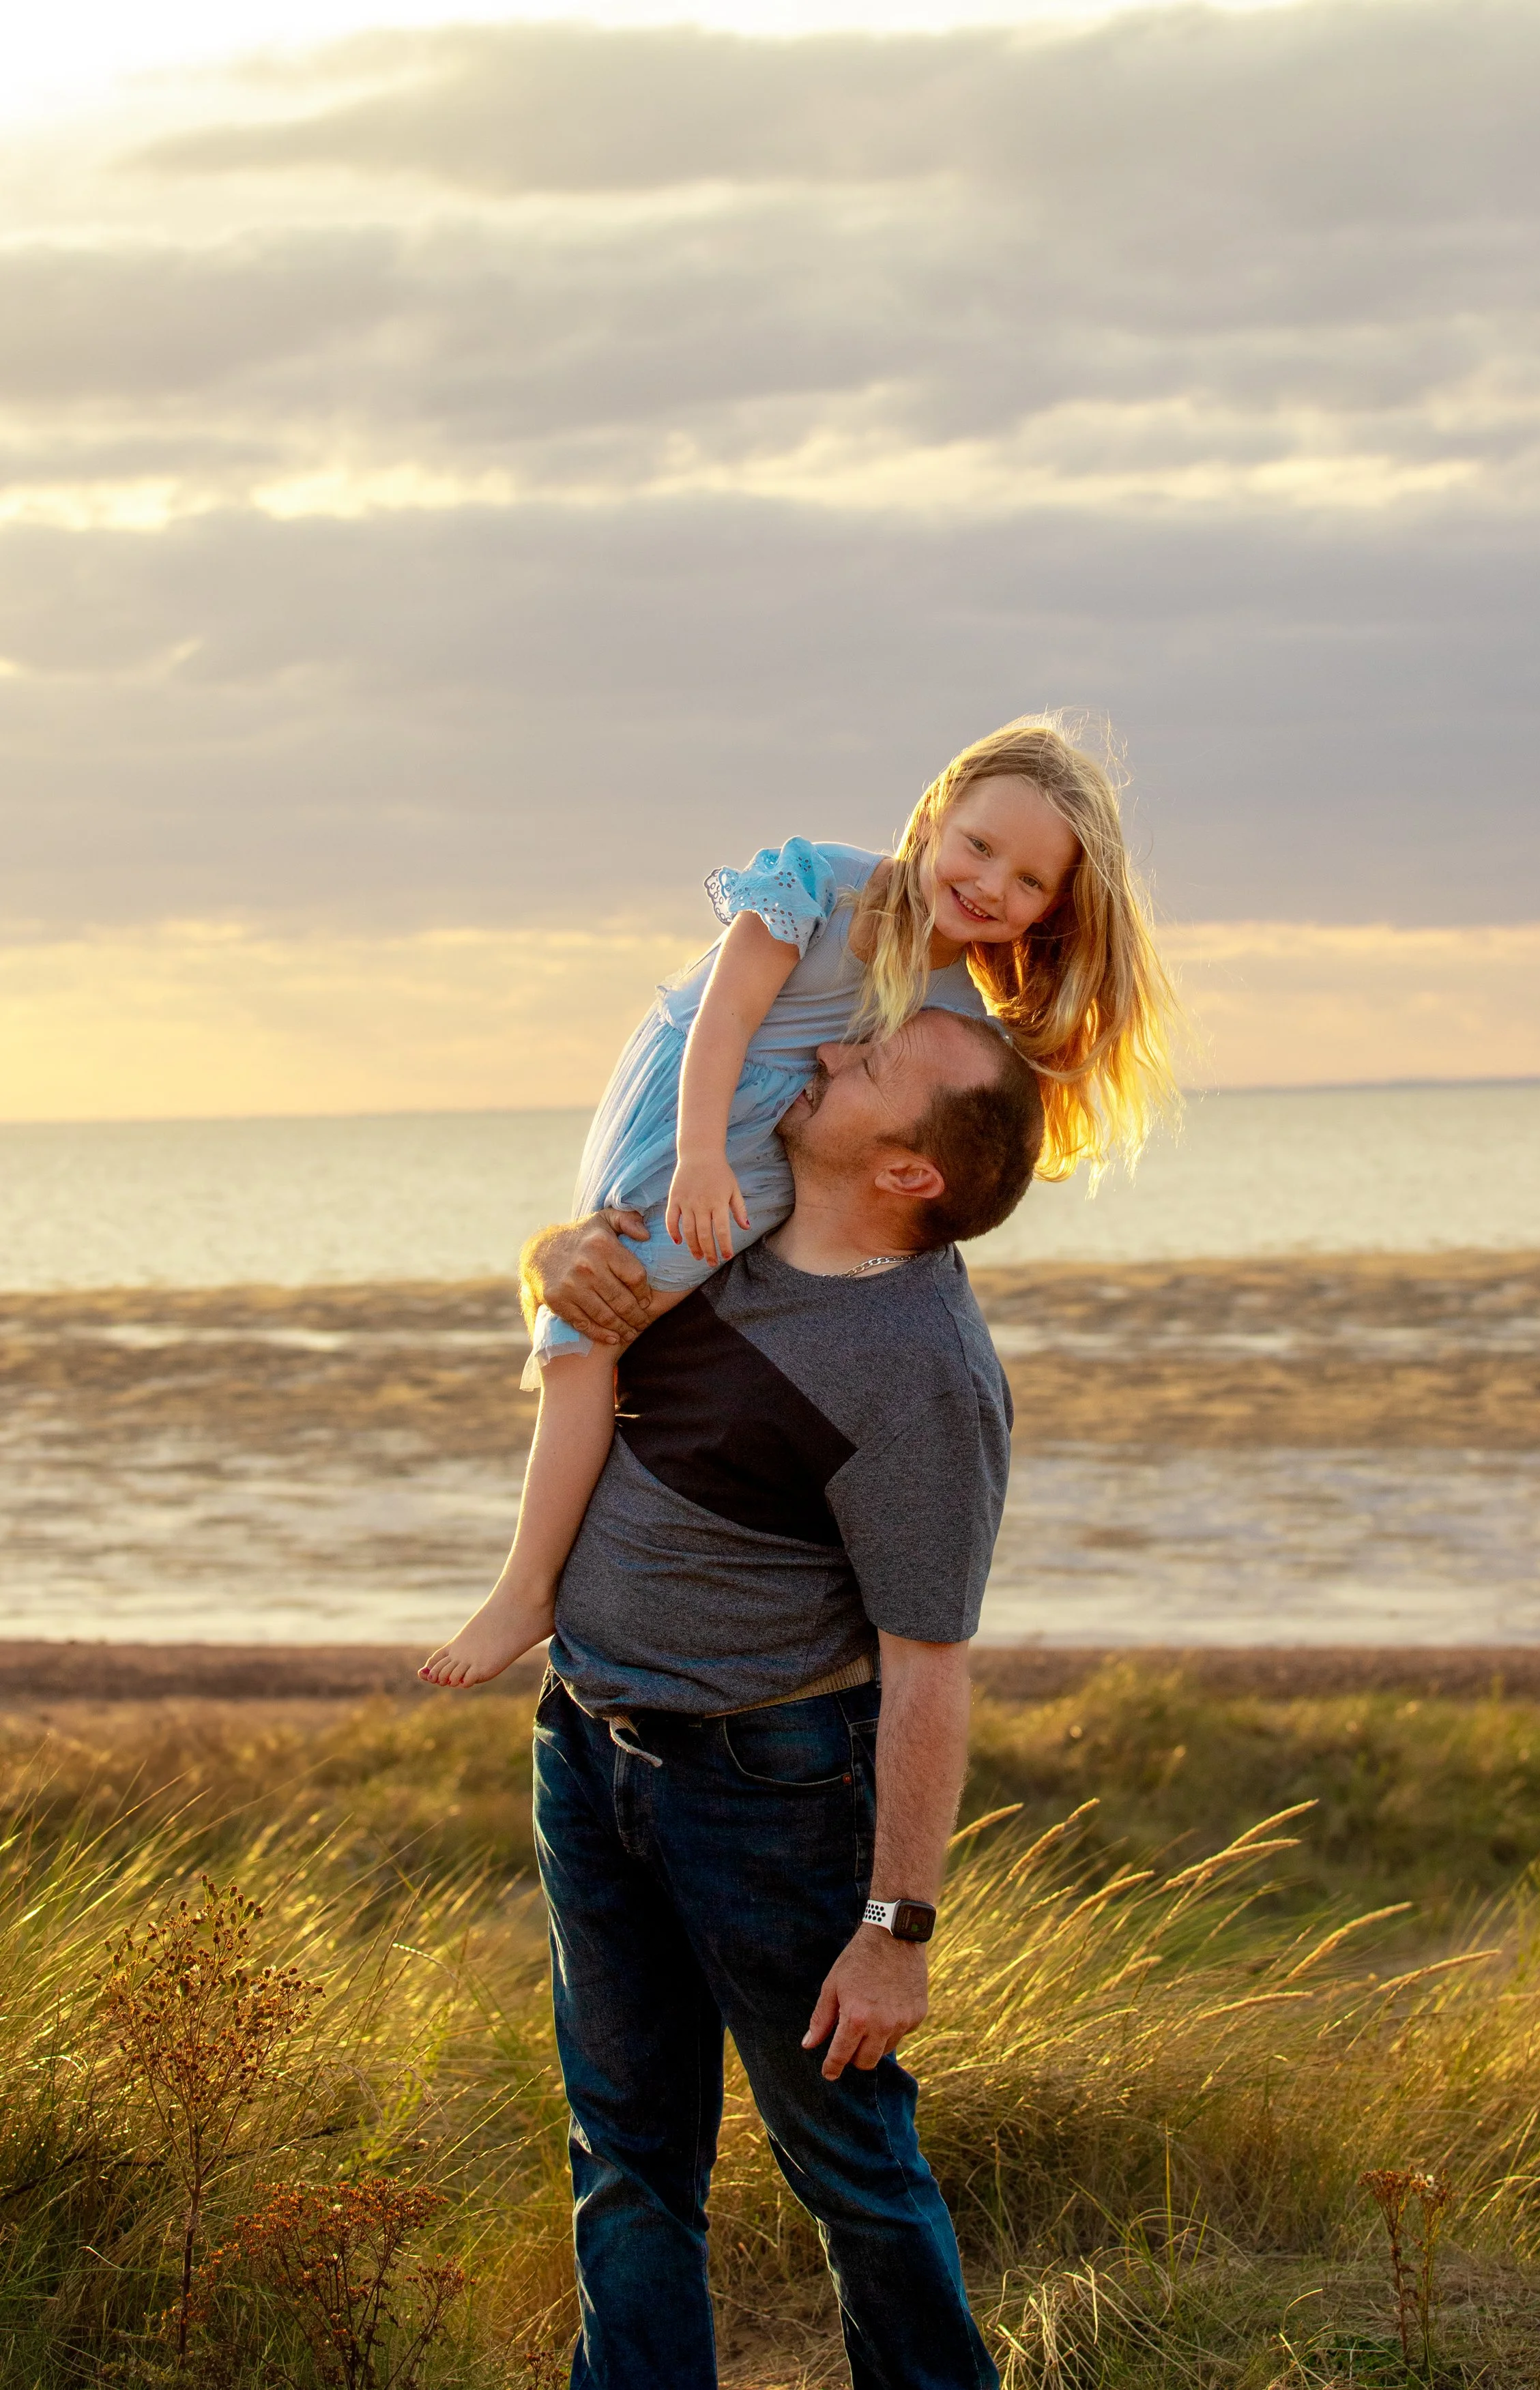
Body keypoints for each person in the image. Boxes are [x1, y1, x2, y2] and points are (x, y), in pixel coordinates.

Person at [421, 713, 1176, 1688]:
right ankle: (530, 1585)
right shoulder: (820, 884)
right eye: (980, 846)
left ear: (1053, 909)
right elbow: (725, 1016)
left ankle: (560, 1581)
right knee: (585, 1334)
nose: (990, 885)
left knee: (619, 1334)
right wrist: (697, 1157)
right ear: (935, 813)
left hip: (780, 1156)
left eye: (1029, 881)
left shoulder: (956, 1016)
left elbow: (936, 1150)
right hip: (698, 1112)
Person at [529, 1004, 1043, 2389]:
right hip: (585, 1744)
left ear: (907, 1173)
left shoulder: (921, 1369)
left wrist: (895, 1929)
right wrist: (556, 1253)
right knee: (623, 2152)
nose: (820, 1055)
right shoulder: (729, 1229)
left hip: (762, 1789)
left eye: (867, 1065)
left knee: (849, 2167)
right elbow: (573, 1303)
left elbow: (930, 1664)